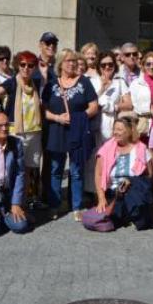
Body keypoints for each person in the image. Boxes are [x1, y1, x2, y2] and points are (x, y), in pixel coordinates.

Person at [0, 50, 44, 208]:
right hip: (16, 132)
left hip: (34, 132)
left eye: (30, 65)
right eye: (22, 64)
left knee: (31, 168)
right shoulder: (12, 83)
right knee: (15, 168)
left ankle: (26, 201)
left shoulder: (35, 83)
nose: (26, 68)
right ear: (17, 65)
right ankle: (12, 202)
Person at [43, 49, 99, 219]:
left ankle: (76, 206)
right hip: (56, 131)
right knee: (56, 170)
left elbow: (94, 106)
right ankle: (55, 205)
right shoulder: (52, 84)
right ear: (60, 63)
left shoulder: (84, 82)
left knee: (76, 170)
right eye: (68, 60)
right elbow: (43, 109)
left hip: (78, 131)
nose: (72, 63)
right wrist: (57, 118)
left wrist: (79, 117)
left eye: (74, 60)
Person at [93, 115, 153, 230]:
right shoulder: (105, 149)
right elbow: (99, 175)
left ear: (129, 131)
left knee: (135, 194)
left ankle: (135, 215)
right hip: (114, 192)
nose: (116, 132)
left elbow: (149, 175)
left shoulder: (141, 149)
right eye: (114, 129)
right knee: (110, 219)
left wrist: (131, 180)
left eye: (120, 130)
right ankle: (128, 215)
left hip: (134, 190)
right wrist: (101, 198)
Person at [120, 51, 153, 138]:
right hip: (142, 125)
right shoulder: (136, 83)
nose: (151, 67)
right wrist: (149, 109)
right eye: (148, 64)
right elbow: (133, 105)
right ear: (143, 66)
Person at [94, 51, 127, 142]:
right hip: (96, 122)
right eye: (103, 65)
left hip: (112, 122)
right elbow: (89, 102)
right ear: (98, 66)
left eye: (110, 64)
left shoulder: (120, 82)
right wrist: (102, 88)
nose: (107, 67)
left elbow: (129, 104)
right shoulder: (92, 81)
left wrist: (113, 107)